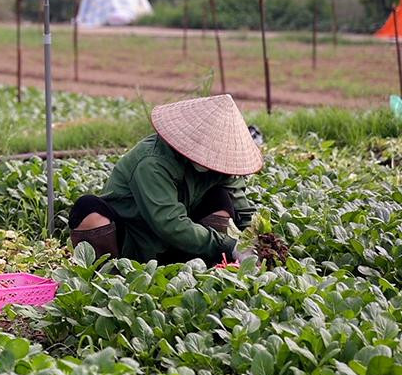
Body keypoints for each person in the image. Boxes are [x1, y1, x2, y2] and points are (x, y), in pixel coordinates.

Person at [68, 94, 262, 266]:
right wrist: (229, 245)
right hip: (132, 241)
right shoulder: (152, 162)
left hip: (182, 245)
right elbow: (170, 223)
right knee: (88, 208)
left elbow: (243, 210)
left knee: (220, 199)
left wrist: (261, 243)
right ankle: (107, 276)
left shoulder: (222, 163)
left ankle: (207, 265)